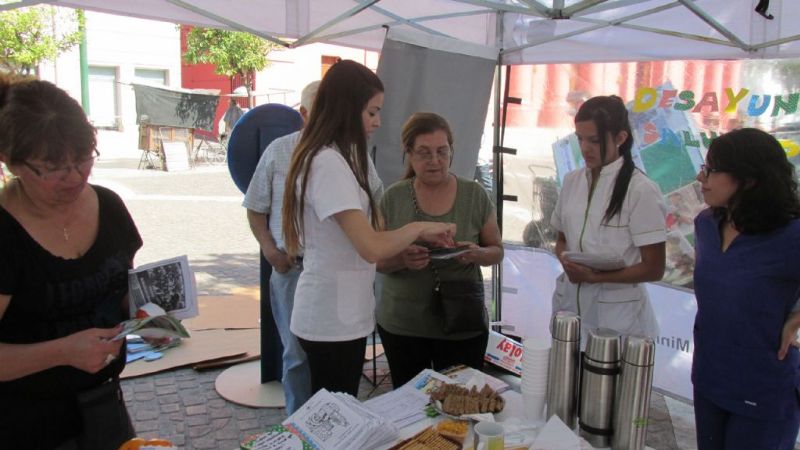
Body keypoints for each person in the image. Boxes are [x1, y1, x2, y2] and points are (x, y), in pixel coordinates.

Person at [281, 60, 455, 397]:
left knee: (338, 409)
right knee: (335, 415)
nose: (378, 122)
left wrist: (405, 242)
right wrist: (420, 227)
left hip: (341, 312)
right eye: (372, 112)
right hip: (330, 320)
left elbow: (371, 239)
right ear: (347, 109)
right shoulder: (328, 163)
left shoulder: (341, 156)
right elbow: (370, 247)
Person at [0, 76, 143, 448]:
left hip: (104, 410)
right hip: (22, 426)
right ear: (11, 161)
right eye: (52, 167)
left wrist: (152, 310)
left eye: (82, 159)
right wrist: (62, 351)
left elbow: (121, 293)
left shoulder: (109, 206)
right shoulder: (4, 233)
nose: (74, 177)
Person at [243, 80, 383, 412]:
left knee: (333, 369)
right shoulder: (281, 150)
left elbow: (377, 198)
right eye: (372, 112)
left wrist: (377, 237)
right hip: (292, 268)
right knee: (296, 357)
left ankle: (321, 427)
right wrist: (270, 251)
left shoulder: (353, 152)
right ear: (305, 113)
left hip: (337, 276)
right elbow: (255, 205)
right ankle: (299, 425)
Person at [376, 112, 503, 388]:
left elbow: (497, 250)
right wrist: (401, 259)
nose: (435, 161)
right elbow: (377, 261)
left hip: (462, 324)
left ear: (451, 150)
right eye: (424, 153)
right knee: (410, 407)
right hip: (403, 325)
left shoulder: (474, 194)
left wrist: (477, 253)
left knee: (461, 404)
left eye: (442, 152)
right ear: (409, 153)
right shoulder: (393, 198)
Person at [692, 128, 800, 449]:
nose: (701, 176)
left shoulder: (790, 236)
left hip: (762, 389)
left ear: (750, 180)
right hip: (710, 377)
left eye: (712, 169)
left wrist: (796, 318)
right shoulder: (705, 225)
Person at [550, 95, 666, 341]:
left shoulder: (640, 189)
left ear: (620, 138)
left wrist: (595, 277)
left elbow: (654, 267)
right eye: (580, 139)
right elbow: (561, 240)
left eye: (594, 140)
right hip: (570, 310)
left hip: (619, 322)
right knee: (568, 376)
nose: (584, 148)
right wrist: (567, 262)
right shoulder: (572, 181)